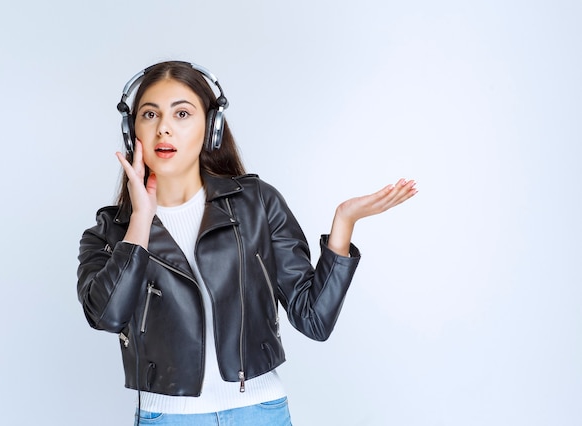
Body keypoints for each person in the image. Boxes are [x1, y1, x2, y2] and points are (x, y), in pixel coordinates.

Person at [77, 60, 417, 426]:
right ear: (132, 133)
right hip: (167, 418)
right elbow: (108, 317)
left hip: (260, 413)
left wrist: (344, 223)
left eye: (182, 114)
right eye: (150, 114)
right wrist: (141, 219)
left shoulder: (258, 203)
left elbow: (313, 319)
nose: (164, 129)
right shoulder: (109, 231)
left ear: (211, 127)